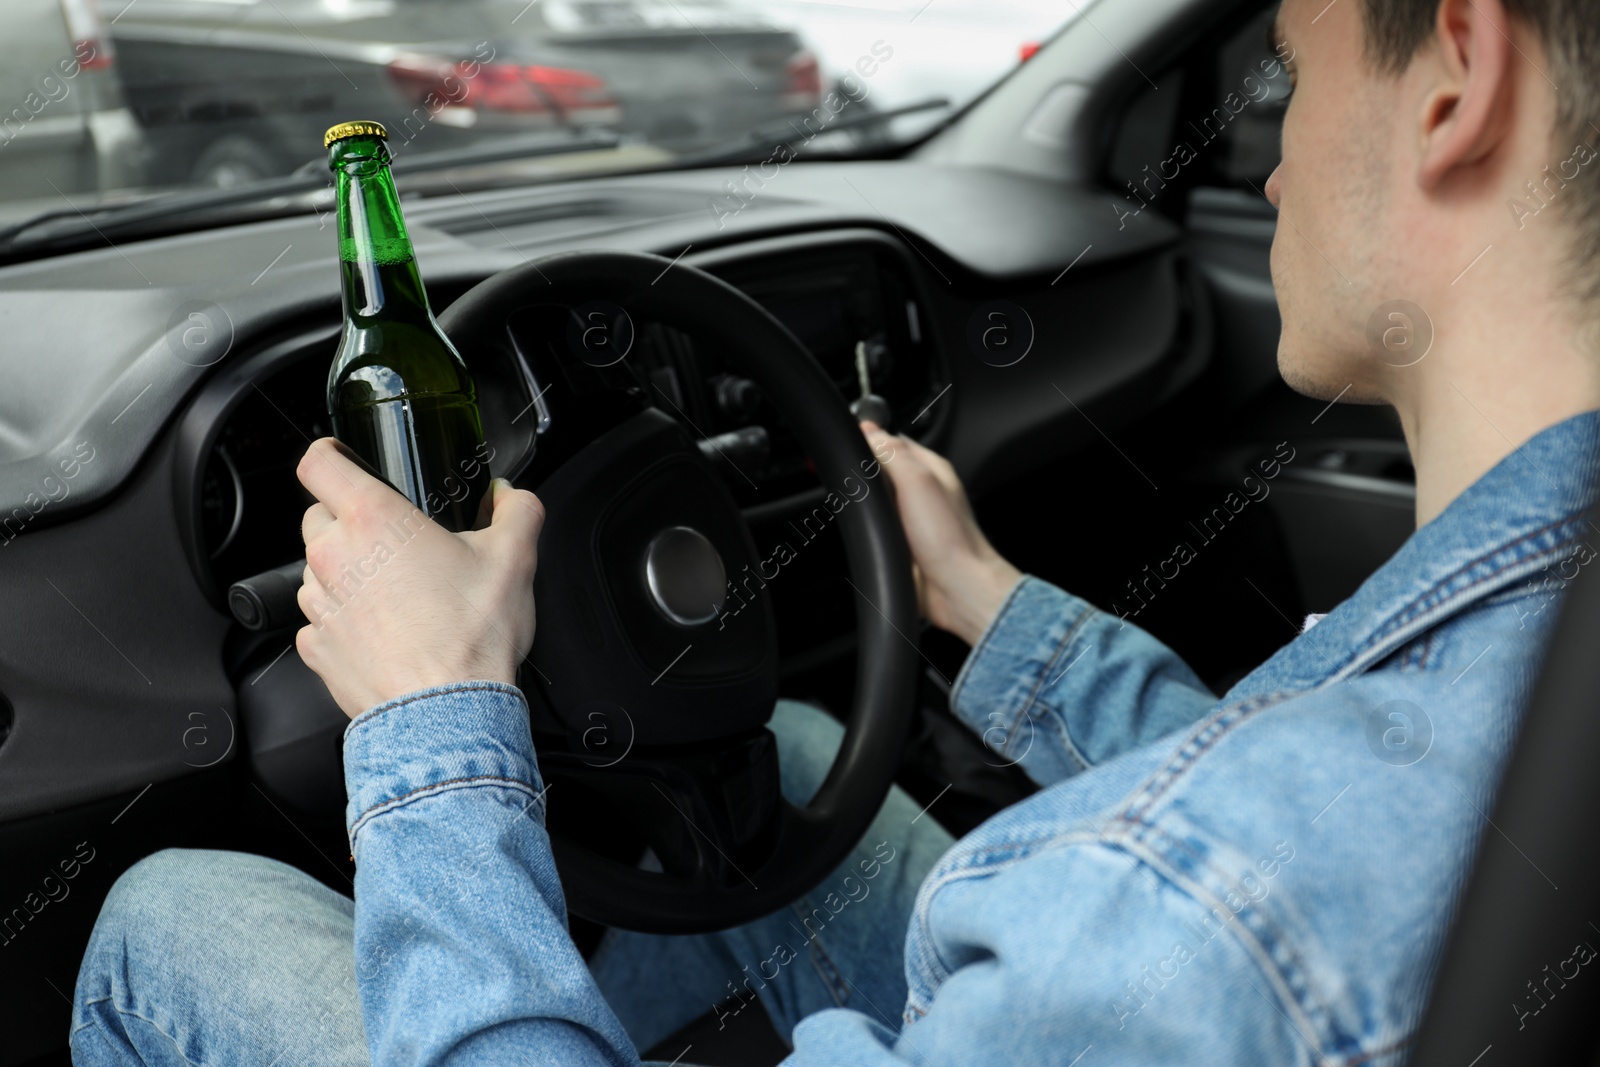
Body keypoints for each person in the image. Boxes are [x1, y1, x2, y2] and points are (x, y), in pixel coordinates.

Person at [70, 0, 1600, 1062]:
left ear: (1453, 77)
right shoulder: (1518, 668)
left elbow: (1228, 891)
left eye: (1289, 73)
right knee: (796, 766)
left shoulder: (1186, 915)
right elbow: (1305, 797)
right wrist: (994, 600)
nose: (1265, 153)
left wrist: (433, 715)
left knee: (162, 914)